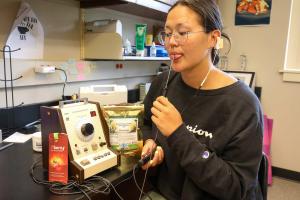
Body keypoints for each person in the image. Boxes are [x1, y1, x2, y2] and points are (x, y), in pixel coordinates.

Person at [141, 0, 264, 199]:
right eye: (168, 33)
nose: (171, 42)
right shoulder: (162, 83)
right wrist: (149, 142)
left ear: (213, 38)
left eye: (182, 32)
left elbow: (237, 187)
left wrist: (178, 133)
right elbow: (146, 121)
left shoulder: (243, 105)